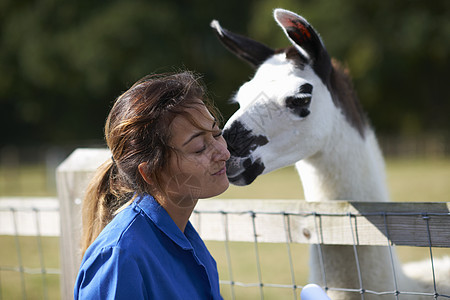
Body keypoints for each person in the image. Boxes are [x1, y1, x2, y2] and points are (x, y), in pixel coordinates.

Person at [74, 71, 230, 299]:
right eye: (199, 148)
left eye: (217, 134)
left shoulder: (185, 239)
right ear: (150, 172)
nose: (223, 153)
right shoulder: (120, 257)